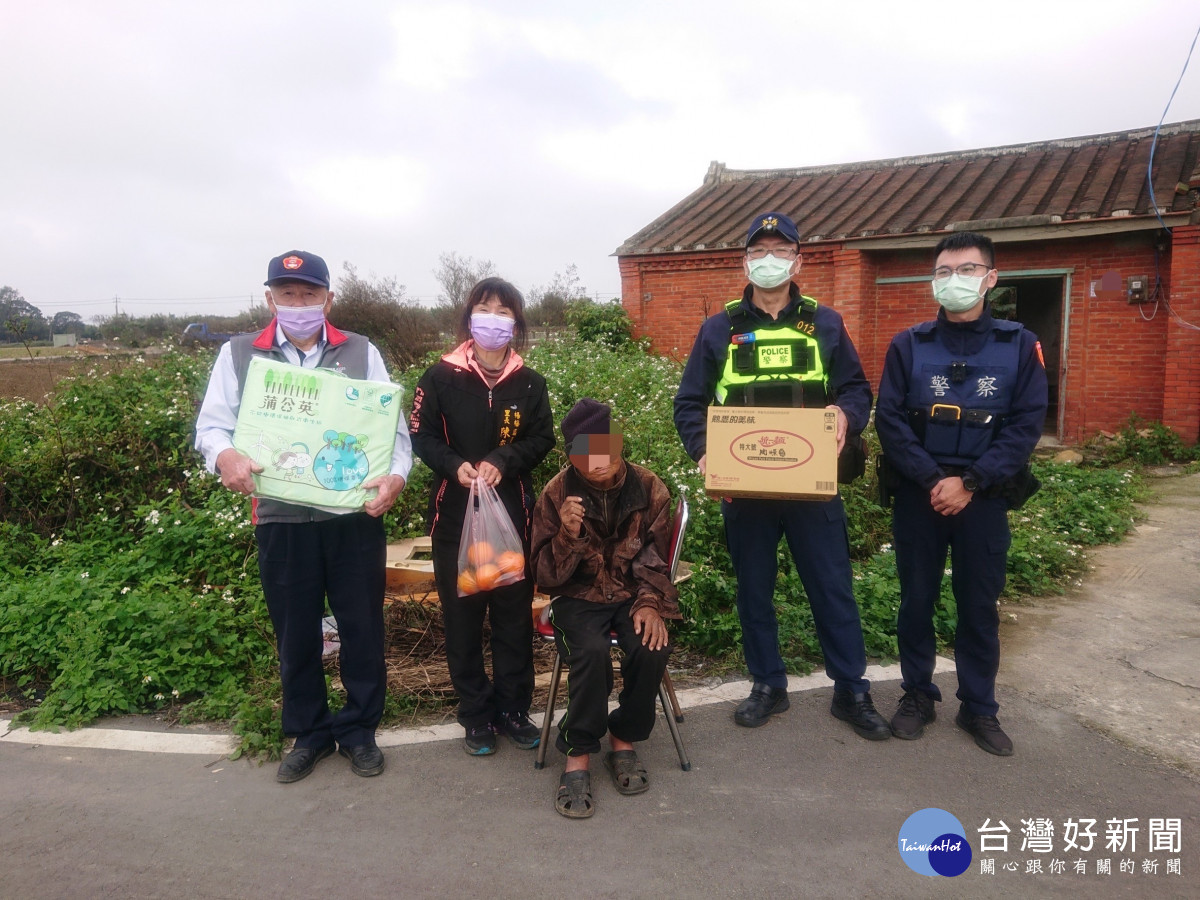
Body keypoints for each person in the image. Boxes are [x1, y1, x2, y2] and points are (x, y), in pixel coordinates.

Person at [195, 250, 412, 783]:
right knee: (296, 633)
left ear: (327, 299)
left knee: (361, 627)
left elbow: (396, 435)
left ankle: (359, 731)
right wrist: (225, 457)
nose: (298, 303)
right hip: (281, 519)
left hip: (352, 518)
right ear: (269, 298)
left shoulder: (361, 352)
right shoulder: (241, 354)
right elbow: (212, 427)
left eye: (309, 294)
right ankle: (309, 733)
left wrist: (395, 479)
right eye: (287, 294)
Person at [673, 211, 889, 739]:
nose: (769, 260)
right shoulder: (719, 328)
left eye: (780, 250)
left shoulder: (827, 323)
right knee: (754, 588)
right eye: (758, 251)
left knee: (832, 586)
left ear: (798, 259)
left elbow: (857, 390)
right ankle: (767, 684)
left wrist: (846, 415)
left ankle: (851, 690)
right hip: (744, 487)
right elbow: (689, 403)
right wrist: (707, 455)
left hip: (811, 486)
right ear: (744, 261)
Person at [875, 231, 1047, 756]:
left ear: (991, 279)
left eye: (968, 270)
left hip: (985, 498)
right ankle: (917, 697)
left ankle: (979, 708)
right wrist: (935, 481)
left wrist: (970, 483)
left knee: (978, 607)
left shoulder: (1020, 344)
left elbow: (1025, 424)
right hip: (921, 497)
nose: (956, 280)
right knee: (916, 602)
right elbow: (890, 421)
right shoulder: (909, 344)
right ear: (933, 280)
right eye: (946, 271)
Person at [409, 277, 554, 756]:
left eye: (503, 310)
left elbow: (542, 439)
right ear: (470, 315)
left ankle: (514, 710)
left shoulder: (530, 383)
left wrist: (503, 461)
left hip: (512, 519)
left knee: (513, 619)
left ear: (516, 321)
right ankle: (475, 716)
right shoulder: (440, 376)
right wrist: (456, 466)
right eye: (484, 308)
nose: (493, 318)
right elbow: (422, 436)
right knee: (463, 619)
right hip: (455, 518)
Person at [530, 399, 679, 819]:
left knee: (651, 646)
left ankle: (623, 736)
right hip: (577, 597)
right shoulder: (557, 492)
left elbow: (655, 558)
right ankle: (578, 751)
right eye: (586, 452)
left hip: (633, 594)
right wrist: (567, 535)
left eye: (605, 448)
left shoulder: (650, 487)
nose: (598, 461)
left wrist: (650, 603)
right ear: (572, 455)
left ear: (619, 444)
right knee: (591, 653)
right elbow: (544, 576)